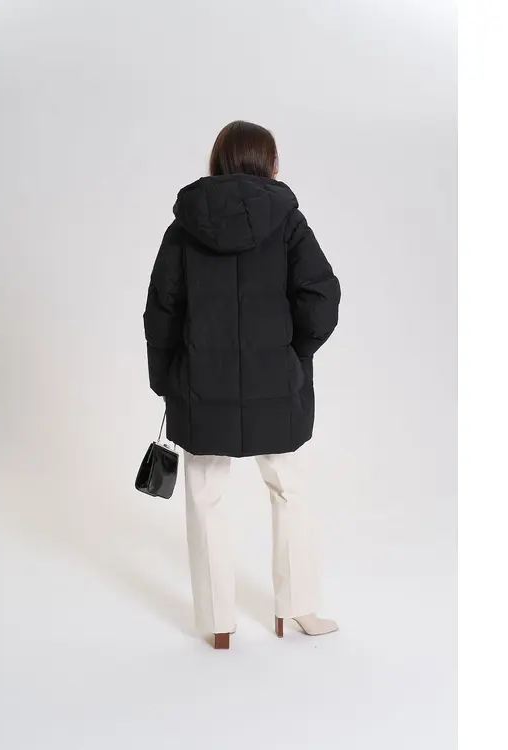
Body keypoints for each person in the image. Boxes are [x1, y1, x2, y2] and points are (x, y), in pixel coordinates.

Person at [143, 120, 341, 649]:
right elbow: (321, 296)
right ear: (269, 164)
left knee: (206, 495)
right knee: (289, 489)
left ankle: (218, 623)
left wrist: (165, 379)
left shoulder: (184, 227)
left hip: (200, 385)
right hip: (276, 384)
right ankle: (296, 610)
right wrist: (294, 355)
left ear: (218, 161)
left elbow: (161, 311)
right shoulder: (288, 221)